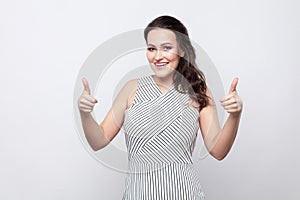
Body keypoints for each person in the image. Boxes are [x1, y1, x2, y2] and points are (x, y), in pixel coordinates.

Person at [78, 15, 243, 200]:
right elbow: (98, 141)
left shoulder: (198, 90)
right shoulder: (131, 88)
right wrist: (85, 114)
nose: (157, 56)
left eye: (166, 48)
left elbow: (218, 151)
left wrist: (235, 115)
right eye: (151, 48)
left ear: (181, 50)